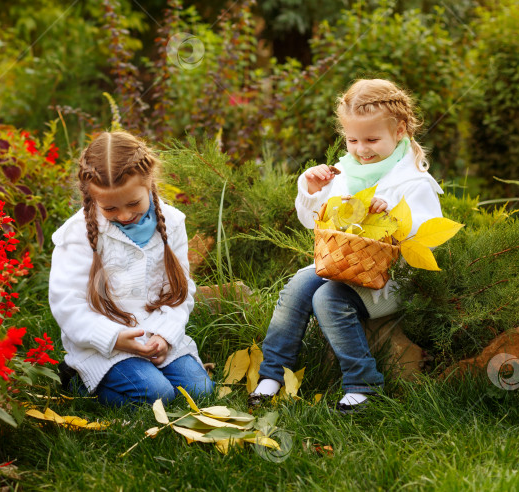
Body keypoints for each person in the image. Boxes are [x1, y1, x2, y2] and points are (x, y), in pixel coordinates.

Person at [249, 78, 444, 414]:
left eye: (371, 139)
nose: (361, 149)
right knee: (298, 285)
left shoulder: (414, 182)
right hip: (341, 266)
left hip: (387, 280)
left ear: (399, 131)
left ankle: (362, 383)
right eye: (352, 139)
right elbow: (315, 224)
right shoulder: (345, 174)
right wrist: (312, 191)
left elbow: (426, 241)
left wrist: (393, 219)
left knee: (327, 297)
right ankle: (272, 374)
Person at [49, 131, 213, 406]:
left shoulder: (171, 223)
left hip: (156, 335)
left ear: (149, 182)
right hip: (104, 345)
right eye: (110, 208)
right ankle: (77, 378)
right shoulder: (76, 234)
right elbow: (67, 304)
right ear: (92, 196)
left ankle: (142, 378)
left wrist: (166, 334)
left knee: (200, 391)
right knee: (158, 394)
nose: (124, 216)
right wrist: (114, 338)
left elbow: (181, 290)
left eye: (134, 203)